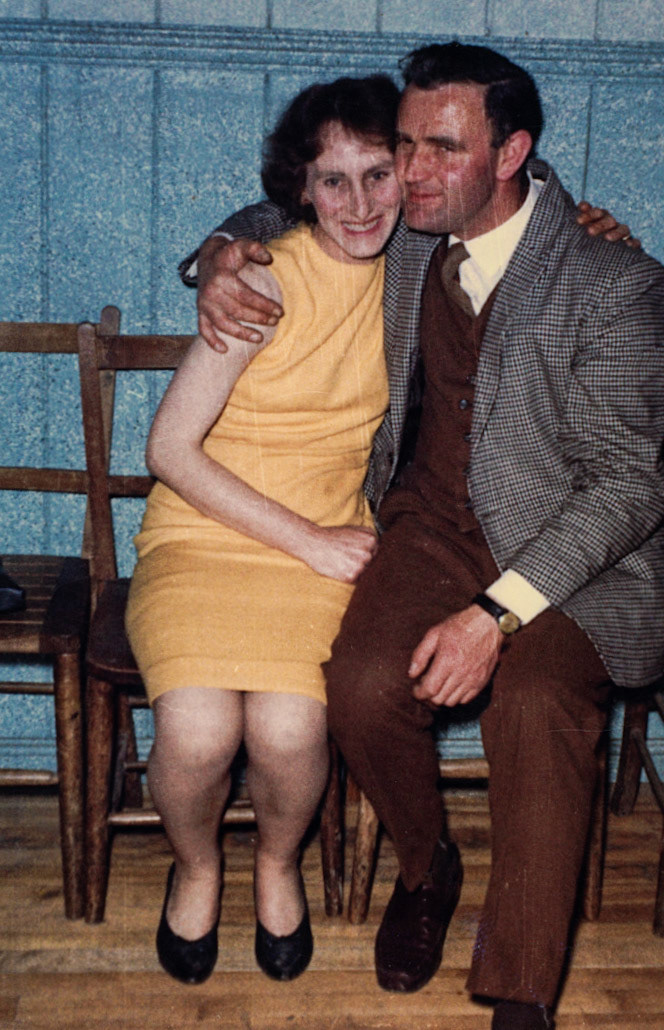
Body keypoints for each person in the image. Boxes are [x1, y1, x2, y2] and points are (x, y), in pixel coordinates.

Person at [184, 45, 664, 1029]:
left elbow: (628, 486)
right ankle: (428, 866)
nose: (407, 173)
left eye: (438, 149)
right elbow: (286, 211)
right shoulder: (410, 238)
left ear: (510, 154)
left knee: (534, 700)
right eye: (403, 144)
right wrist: (218, 257)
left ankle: (518, 991)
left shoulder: (613, 279)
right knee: (363, 684)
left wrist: (494, 616)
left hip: (576, 558)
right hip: (429, 528)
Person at [125, 74, 404, 985]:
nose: (358, 203)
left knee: (289, 732)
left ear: (409, 173)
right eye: (333, 180)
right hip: (204, 537)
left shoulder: (419, 290)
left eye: (378, 173)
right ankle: (199, 864)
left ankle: (276, 863)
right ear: (301, 187)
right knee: (199, 732)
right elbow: (170, 448)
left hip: (318, 554)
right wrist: (311, 541)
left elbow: (511, 187)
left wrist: (578, 210)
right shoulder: (257, 280)